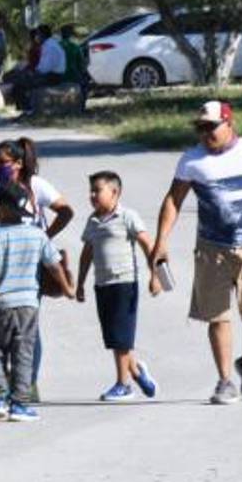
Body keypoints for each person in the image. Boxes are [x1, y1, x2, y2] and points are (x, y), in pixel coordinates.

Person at [151, 101, 242, 405]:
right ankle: (224, 381)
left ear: (229, 124)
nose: (205, 133)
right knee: (218, 316)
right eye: (201, 128)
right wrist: (161, 241)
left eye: (211, 127)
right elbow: (173, 201)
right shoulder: (191, 160)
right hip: (212, 249)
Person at [0, 137, 74, 401]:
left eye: (3, 163)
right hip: (1, 257)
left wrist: (44, 237)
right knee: (3, 325)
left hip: (29, 262)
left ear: (19, 163)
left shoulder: (36, 185)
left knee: (26, 325)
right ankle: (7, 381)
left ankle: (27, 382)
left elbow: (66, 211)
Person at [76, 171, 160, 402]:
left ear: (114, 192)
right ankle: (135, 372)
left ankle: (124, 384)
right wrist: (80, 282)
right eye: (91, 191)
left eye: (97, 190)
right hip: (102, 284)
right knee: (114, 336)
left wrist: (155, 275)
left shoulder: (127, 216)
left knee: (122, 336)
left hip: (125, 283)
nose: (92, 195)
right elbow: (87, 253)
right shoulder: (92, 220)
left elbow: (147, 244)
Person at [59, 24, 90, 113]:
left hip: (58, 75)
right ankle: (81, 107)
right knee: (85, 83)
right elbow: (81, 65)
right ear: (70, 35)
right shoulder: (75, 47)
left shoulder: (57, 46)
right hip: (72, 75)